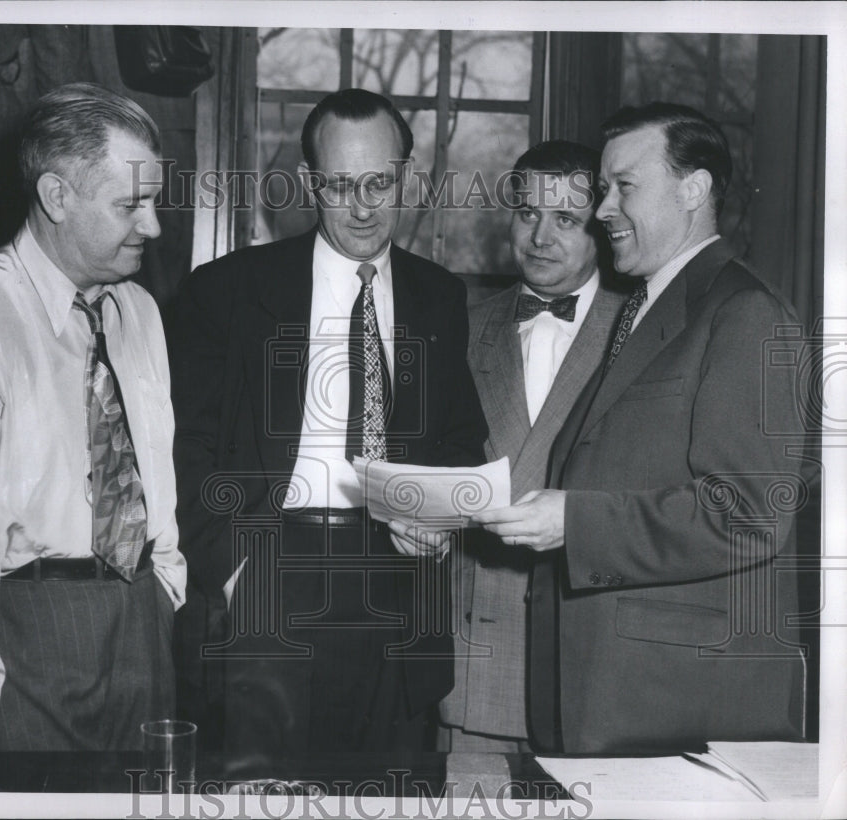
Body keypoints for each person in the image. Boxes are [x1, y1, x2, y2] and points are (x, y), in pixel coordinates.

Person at [475, 102, 808, 753]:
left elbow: (747, 516)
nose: (601, 210)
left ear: (694, 189)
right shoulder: (651, 306)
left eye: (623, 187)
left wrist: (575, 522)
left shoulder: (746, 313)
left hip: (676, 702)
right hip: (614, 690)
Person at [169, 88, 487, 762]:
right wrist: (232, 573)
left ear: (406, 176)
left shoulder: (439, 295)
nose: (364, 205)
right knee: (262, 796)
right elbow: (185, 448)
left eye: (380, 182)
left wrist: (438, 513)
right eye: (342, 185)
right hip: (269, 571)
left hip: (400, 587)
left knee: (391, 792)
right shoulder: (226, 291)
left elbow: (461, 437)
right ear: (312, 182)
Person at [0, 82, 186, 768]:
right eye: (129, 205)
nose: (152, 226)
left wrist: (164, 588)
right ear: (57, 197)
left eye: (153, 201)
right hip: (29, 640)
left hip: (142, 628)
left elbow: (156, 469)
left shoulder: (138, 312)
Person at [439, 141, 624, 752]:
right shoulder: (460, 326)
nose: (541, 236)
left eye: (566, 219)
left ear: (602, 225)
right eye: (527, 215)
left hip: (589, 662)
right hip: (472, 661)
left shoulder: (644, 333)